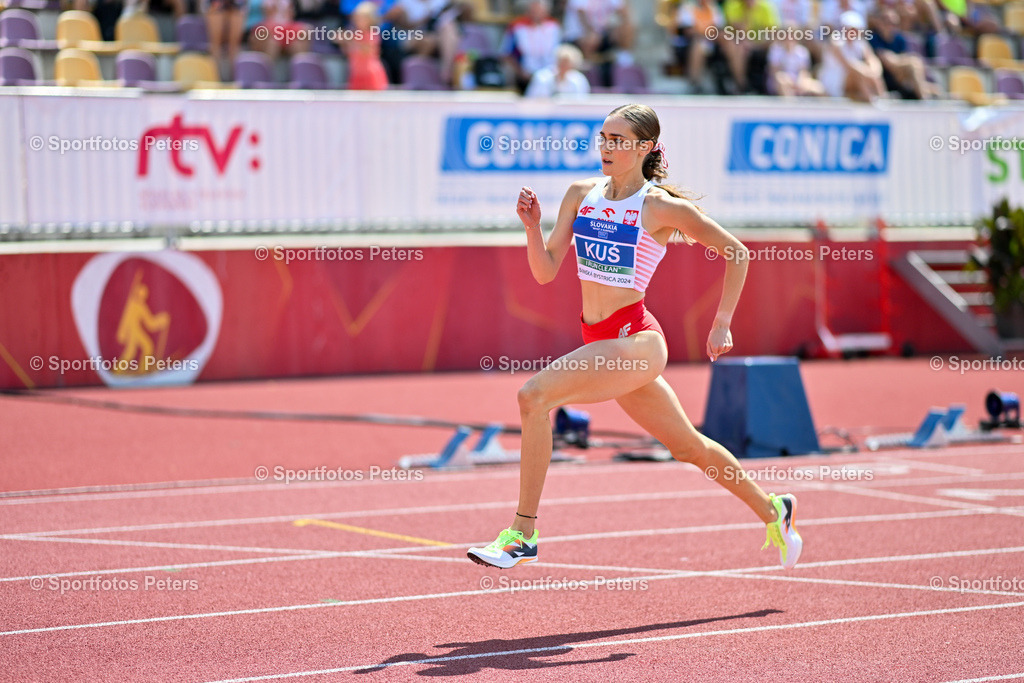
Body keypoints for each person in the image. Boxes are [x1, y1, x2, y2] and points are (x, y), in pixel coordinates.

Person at [467, 103, 803, 572]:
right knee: (688, 447)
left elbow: (737, 252)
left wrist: (722, 321)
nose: (606, 147)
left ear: (644, 148)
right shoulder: (581, 193)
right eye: (603, 137)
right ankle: (774, 510)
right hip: (601, 340)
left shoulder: (660, 207)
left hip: (637, 342)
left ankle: (523, 533)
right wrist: (531, 228)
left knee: (533, 397)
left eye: (618, 140)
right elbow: (545, 272)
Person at [818, 10, 886, 102]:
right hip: (834, 83)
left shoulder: (860, 43)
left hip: (854, 80)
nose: (852, 32)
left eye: (855, 29)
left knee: (866, 73)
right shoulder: (836, 42)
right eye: (850, 29)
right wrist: (867, 72)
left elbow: (872, 60)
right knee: (857, 73)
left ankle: (881, 98)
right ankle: (873, 99)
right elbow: (848, 65)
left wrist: (874, 72)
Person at [502, 0, 563, 93]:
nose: (536, 13)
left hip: (551, 74)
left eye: (539, 10)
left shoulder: (554, 27)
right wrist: (521, 72)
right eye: (533, 10)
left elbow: (561, 51)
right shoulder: (517, 27)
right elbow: (506, 54)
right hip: (525, 75)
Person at [341, 1, 389, 89]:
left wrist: (350, 41)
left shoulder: (372, 34)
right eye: (357, 18)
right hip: (356, 74)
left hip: (370, 75)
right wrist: (343, 42)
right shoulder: (355, 35)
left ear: (371, 19)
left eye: (363, 18)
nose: (359, 21)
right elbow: (348, 52)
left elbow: (368, 50)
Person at [767, 22, 824, 95]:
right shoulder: (775, 50)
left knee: (819, 88)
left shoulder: (802, 51)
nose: (789, 38)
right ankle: (791, 105)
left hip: (799, 81)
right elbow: (775, 72)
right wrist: (790, 81)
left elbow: (804, 72)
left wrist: (799, 82)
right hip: (781, 82)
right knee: (782, 83)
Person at [525, 43, 590, 97]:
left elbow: (582, 102)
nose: (564, 66)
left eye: (567, 64)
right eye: (562, 62)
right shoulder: (542, 77)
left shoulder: (579, 80)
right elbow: (532, 99)